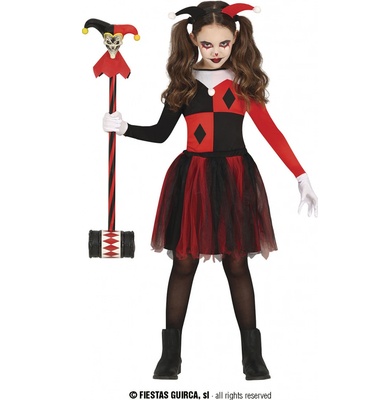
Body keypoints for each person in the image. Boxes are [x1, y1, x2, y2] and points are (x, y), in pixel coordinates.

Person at [103, 1, 318, 380]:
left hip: (236, 177)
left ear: (235, 39)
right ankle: (170, 357)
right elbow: (160, 134)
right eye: (207, 44)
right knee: (183, 261)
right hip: (194, 178)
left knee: (237, 262)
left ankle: (253, 358)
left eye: (223, 43)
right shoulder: (184, 84)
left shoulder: (243, 83)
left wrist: (300, 175)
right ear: (193, 40)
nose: (216, 51)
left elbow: (271, 132)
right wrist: (125, 128)